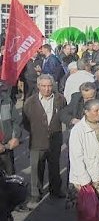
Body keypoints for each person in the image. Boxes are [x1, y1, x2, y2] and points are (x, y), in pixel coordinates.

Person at [69, 99, 99, 221]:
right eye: (96, 110)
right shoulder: (78, 130)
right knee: (85, 204)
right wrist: (84, 179)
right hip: (87, 173)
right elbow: (76, 157)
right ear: (86, 112)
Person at [22, 74, 67, 207]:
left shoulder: (60, 99)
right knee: (36, 168)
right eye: (44, 86)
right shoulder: (30, 102)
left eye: (49, 86)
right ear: (38, 86)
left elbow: (64, 114)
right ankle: (36, 193)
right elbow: (25, 122)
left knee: (54, 166)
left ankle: (55, 190)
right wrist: (36, 131)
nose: (47, 89)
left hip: (55, 139)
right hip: (37, 140)